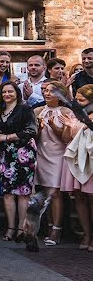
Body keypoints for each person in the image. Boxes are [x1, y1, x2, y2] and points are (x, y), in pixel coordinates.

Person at [0, 80, 37, 242]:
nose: (7, 94)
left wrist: (7, 137)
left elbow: (31, 130)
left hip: (23, 154)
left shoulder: (24, 109)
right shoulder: (0, 111)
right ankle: (10, 228)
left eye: (10, 91)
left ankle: (21, 228)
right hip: (6, 155)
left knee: (23, 193)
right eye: (4, 92)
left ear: (17, 93)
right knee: (8, 193)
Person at [33, 80, 75, 246]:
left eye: (51, 91)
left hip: (58, 155)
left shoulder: (66, 112)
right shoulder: (37, 111)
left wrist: (54, 126)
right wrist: (40, 129)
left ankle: (56, 229)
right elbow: (32, 137)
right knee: (45, 193)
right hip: (41, 154)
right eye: (45, 90)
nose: (47, 93)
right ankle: (48, 225)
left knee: (55, 193)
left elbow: (67, 138)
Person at [63, 84, 93, 251]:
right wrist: (70, 127)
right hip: (76, 160)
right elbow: (67, 138)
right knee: (80, 198)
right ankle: (86, 234)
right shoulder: (74, 115)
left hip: (90, 160)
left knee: (92, 198)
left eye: (82, 100)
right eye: (77, 100)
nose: (78, 103)